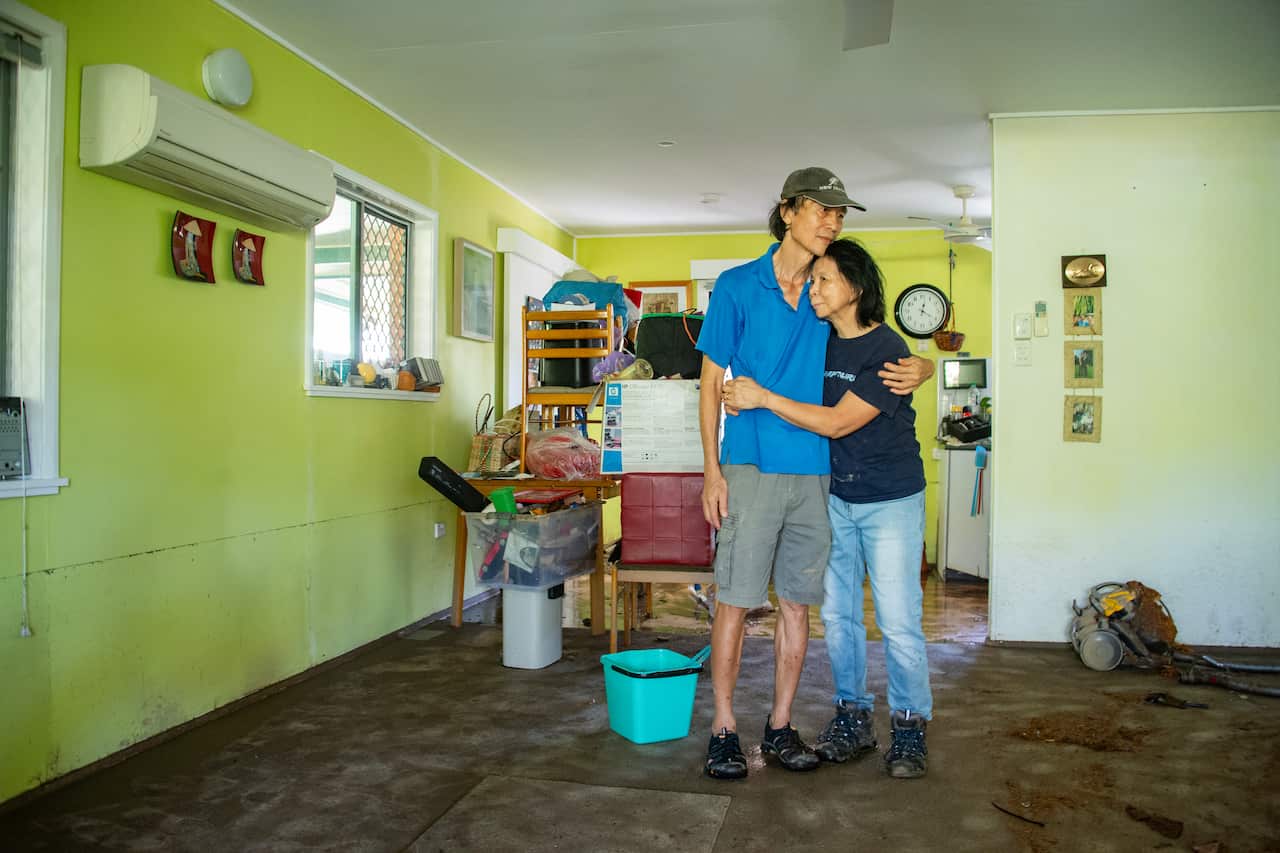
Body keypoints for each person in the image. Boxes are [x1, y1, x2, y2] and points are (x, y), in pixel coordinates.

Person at [697, 168, 933, 780]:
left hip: (819, 476)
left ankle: (780, 726)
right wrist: (712, 473)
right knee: (735, 602)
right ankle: (725, 728)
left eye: (839, 214)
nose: (832, 221)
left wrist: (924, 364)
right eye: (821, 210)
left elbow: (877, 350)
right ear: (786, 212)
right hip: (749, 466)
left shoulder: (827, 299)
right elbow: (709, 383)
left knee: (803, 607)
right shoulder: (737, 285)